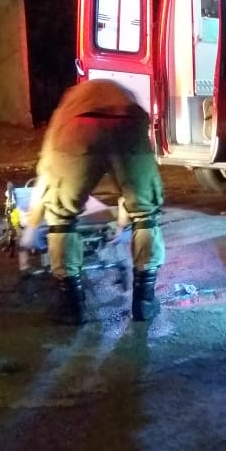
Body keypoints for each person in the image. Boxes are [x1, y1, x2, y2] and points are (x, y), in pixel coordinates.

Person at [25, 79, 166, 325]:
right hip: (129, 123)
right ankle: (144, 302)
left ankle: (72, 307)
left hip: (78, 126)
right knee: (145, 214)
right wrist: (125, 222)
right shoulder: (125, 96)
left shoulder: (67, 108)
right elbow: (132, 183)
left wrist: (31, 226)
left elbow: (47, 174)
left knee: (61, 216)